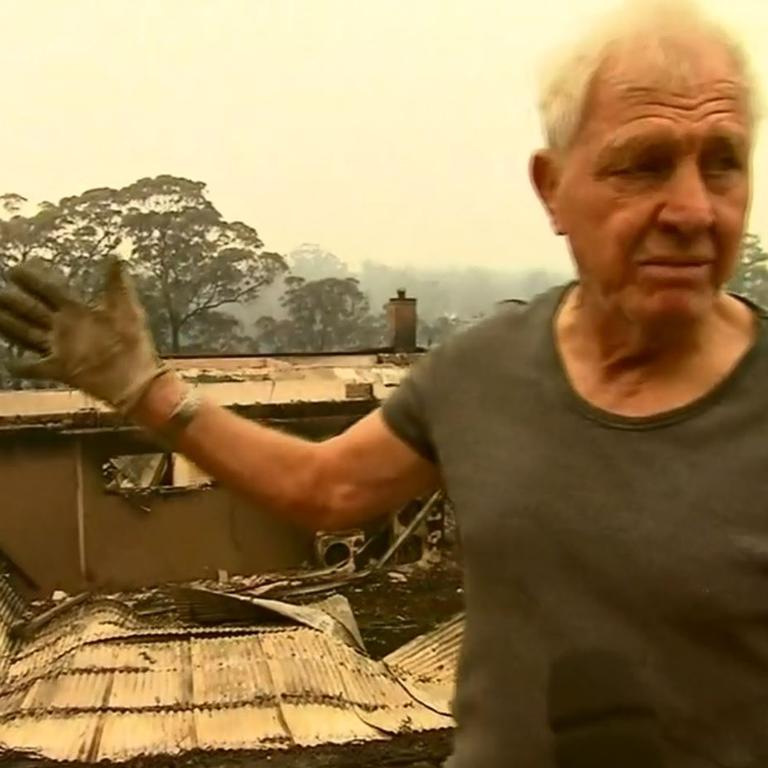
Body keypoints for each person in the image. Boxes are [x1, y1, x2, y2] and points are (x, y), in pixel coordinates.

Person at [0, 0, 765, 764]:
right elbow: (327, 488)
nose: (694, 209)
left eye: (723, 161)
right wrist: (141, 386)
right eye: (645, 164)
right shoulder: (482, 372)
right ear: (553, 188)